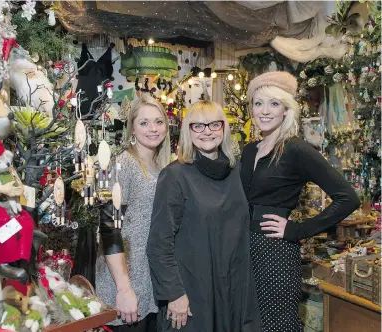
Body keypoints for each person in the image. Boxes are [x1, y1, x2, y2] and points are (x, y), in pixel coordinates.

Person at [241, 71, 360, 332]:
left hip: (275, 253)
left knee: (277, 325)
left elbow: (348, 197)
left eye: (274, 103)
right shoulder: (249, 150)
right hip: (242, 251)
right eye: (258, 103)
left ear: (286, 109)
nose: (264, 111)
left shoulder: (296, 149)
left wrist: (298, 230)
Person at [147, 100, 262, 332]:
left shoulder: (236, 171)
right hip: (193, 292)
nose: (207, 131)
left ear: (224, 128)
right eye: (197, 126)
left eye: (213, 124)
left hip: (234, 289)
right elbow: (159, 243)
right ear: (188, 131)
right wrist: (174, 294)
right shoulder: (175, 176)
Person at [96, 95, 171, 331]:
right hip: (126, 280)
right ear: (132, 128)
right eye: (144, 123)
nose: (153, 129)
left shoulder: (162, 166)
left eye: (159, 122)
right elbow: (108, 229)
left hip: (149, 280)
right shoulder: (122, 164)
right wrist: (124, 288)